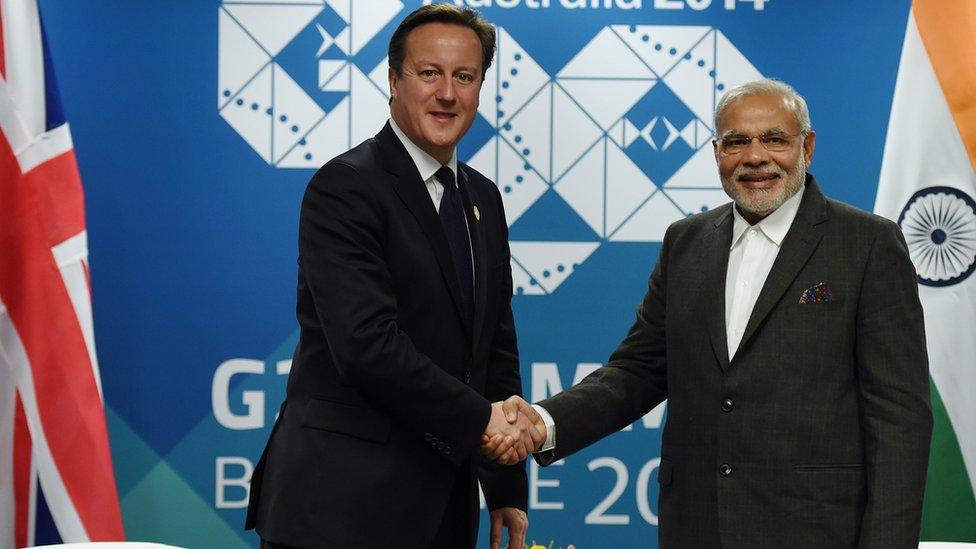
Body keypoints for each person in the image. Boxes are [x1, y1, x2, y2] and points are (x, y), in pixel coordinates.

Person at [487, 79, 933, 548]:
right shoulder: (686, 242)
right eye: (737, 141)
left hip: (818, 531)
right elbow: (639, 371)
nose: (756, 156)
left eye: (775, 139)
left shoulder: (867, 244)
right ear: (717, 151)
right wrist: (543, 423)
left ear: (808, 147)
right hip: (697, 527)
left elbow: (899, 416)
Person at [245, 5, 543, 548]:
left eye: (465, 77)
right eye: (429, 73)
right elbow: (366, 346)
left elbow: (493, 346)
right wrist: (483, 421)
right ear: (393, 80)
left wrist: (504, 484)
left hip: (443, 510)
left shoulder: (484, 199)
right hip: (340, 509)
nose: (447, 93)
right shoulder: (346, 188)